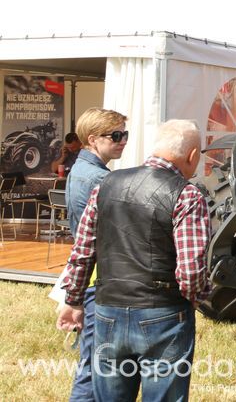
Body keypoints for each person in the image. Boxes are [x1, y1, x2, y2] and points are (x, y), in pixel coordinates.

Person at [57, 119, 211, 402]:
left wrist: (74, 300)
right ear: (192, 155)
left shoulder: (105, 185)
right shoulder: (187, 195)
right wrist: (194, 298)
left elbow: (82, 252)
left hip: (107, 309)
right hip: (163, 312)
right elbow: (191, 270)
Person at [63, 108, 128, 402]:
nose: (122, 140)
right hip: (97, 278)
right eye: (115, 135)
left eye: (124, 134)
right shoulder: (99, 179)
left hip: (90, 275)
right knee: (93, 364)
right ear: (92, 139)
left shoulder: (82, 169)